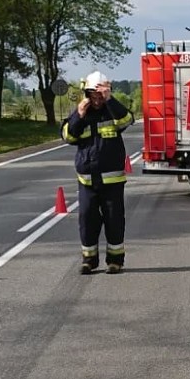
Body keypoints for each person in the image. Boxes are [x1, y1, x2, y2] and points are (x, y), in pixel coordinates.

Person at [61, 71, 134, 274]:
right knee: (87, 220)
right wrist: (78, 114)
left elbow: (127, 120)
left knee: (114, 220)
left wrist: (110, 101)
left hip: (112, 181)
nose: (96, 99)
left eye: (100, 95)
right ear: (87, 94)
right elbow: (67, 136)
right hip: (87, 182)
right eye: (93, 95)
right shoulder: (81, 114)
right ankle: (89, 260)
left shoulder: (112, 111)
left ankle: (115, 260)